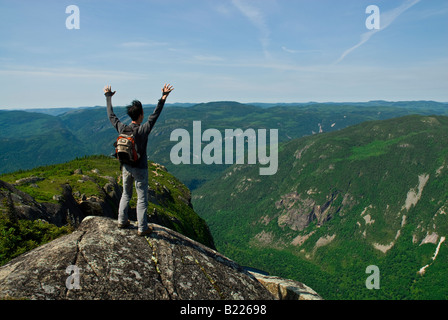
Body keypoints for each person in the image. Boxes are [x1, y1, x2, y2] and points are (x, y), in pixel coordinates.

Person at [104, 84, 174, 236]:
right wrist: (163, 96)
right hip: (140, 169)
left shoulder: (122, 128)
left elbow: (111, 116)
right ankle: (142, 228)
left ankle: (122, 221)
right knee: (142, 198)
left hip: (126, 167)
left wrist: (108, 97)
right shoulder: (143, 129)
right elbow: (155, 115)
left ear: (130, 115)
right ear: (141, 114)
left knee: (126, 194)